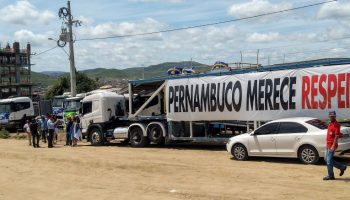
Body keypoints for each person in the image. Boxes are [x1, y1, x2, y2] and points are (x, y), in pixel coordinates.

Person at [323, 111, 347, 180]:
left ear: (335, 116)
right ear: (329, 116)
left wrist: (333, 146)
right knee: (326, 159)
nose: (332, 117)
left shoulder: (337, 125)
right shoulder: (330, 124)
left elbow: (336, 136)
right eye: (331, 116)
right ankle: (342, 167)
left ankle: (331, 176)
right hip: (328, 144)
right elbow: (335, 134)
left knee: (328, 161)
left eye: (333, 116)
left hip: (332, 145)